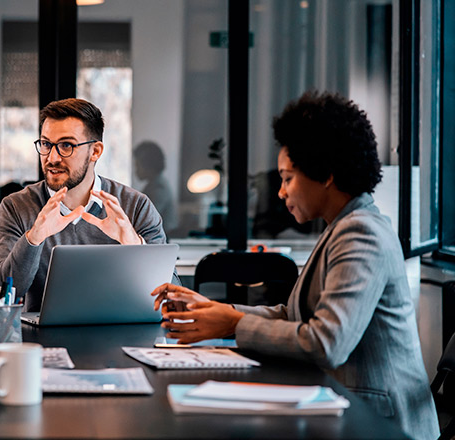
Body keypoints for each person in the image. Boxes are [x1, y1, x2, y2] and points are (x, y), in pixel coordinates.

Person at [151, 91, 438, 439]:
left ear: (326, 173)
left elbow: (326, 342)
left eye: (288, 178)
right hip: (347, 407)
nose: (281, 193)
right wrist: (217, 311)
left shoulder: (361, 233)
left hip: (381, 423)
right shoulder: (344, 225)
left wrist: (234, 322)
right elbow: (294, 316)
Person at [0, 98, 177, 312]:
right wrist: (34, 238)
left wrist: (133, 243)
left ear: (95, 151)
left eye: (66, 145)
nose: (52, 157)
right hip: (40, 340)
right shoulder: (15, 207)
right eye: (46, 144)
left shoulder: (135, 206)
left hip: (121, 336)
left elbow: (174, 299)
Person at [133, 140, 177, 234]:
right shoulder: (153, 184)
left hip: (161, 241)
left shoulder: (159, 187)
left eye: (137, 165)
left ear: (147, 165)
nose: (135, 170)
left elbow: (144, 219)